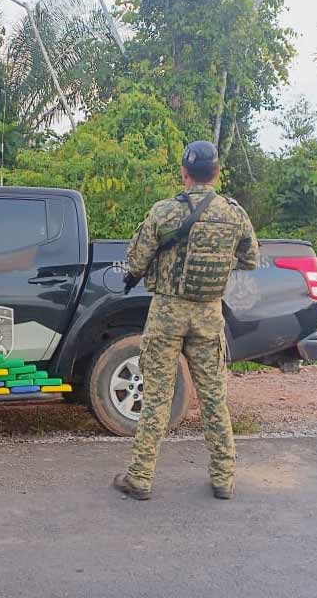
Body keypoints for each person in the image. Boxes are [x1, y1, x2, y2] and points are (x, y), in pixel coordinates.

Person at [113, 140, 260, 501]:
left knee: (158, 397)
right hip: (209, 313)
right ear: (217, 172)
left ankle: (141, 477)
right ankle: (224, 477)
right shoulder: (235, 214)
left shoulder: (165, 212)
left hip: (167, 313)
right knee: (213, 397)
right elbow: (251, 259)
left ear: (184, 172)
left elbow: (135, 263)